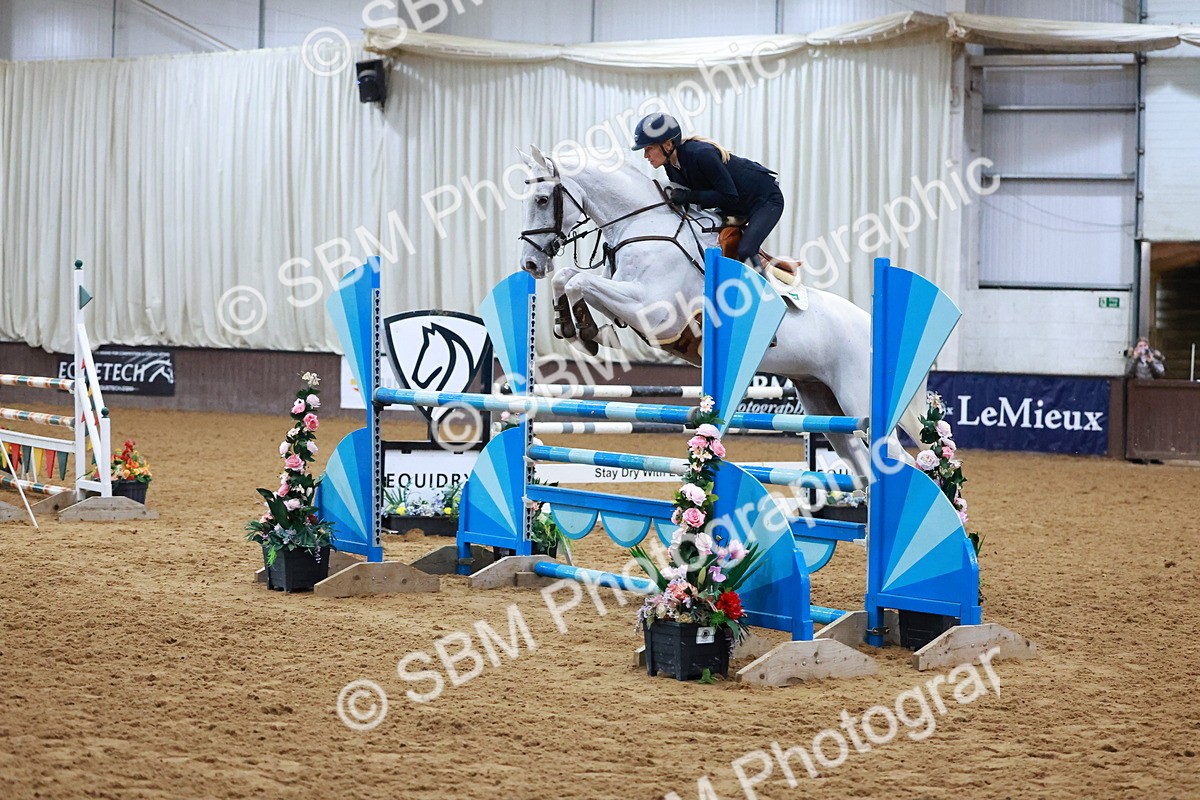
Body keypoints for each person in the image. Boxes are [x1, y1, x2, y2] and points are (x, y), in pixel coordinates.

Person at [630, 112, 785, 276]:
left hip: (765, 200)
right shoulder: (670, 165)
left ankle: (765, 295)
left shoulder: (701, 154)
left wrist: (689, 197)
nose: (645, 156)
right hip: (735, 206)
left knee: (746, 249)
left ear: (668, 145)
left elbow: (729, 196)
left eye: (648, 149)